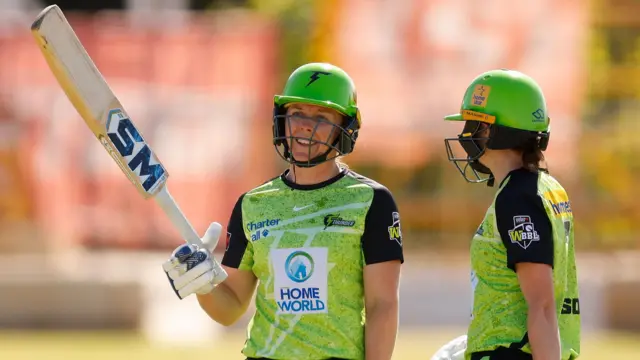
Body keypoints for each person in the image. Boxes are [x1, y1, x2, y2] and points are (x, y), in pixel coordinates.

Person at [162, 62, 404, 360]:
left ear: (345, 127)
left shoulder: (371, 201)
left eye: (321, 117)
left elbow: (383, 305)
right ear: (282, 119)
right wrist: (202, 285)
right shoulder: (253, 203)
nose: (305, 125)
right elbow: (230, 308)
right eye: (297, 113)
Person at [438, 69, 581, 360]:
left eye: (473, 124)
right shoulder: (545, 187)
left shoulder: (518, 198)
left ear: (494, 131)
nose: (465, 134)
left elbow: (540, 304)